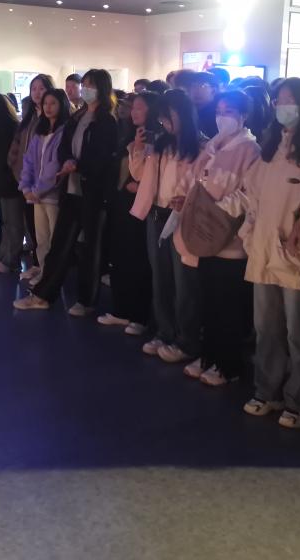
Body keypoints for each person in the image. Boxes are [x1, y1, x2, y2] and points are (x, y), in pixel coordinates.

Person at [240, 79, 300, 428]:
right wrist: (250, 230)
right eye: (279, 99)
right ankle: (267, 390)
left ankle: (299, 400)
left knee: (298, 332)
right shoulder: (273, 145)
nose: (283, 106)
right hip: (264, 248)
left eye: (290, 99)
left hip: (296, 252)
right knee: (266, 326)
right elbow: (252, 192)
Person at [14, 70, 119, 314]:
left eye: (90, 85)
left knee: (90, 248)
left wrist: (79, 165)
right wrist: (68, 161)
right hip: (71, 189)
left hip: (93, 192)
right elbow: (64, 147)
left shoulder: (106, 120)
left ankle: (86, 300)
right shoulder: (79, 116)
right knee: (59, 244)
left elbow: (103, 156)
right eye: (85, 84)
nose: (85, 89)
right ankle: (43, 294)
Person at [176, 90, 261, 385]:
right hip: (203, 236)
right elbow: (196, 180)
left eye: (229, 111)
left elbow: (248, 193)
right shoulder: (213, 144)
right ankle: (210, 355)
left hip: (228, 239)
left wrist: (218, 211)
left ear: (244, 116)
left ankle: (228, 365)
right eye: (219, 111)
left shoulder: (250, 150)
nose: (222, 117)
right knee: (209, 302)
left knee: (228, 306)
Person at [129, 90, 204, 363]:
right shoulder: (160, 144)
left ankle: (187, 339)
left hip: (183, 218)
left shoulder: (201, 146)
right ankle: (165, 331)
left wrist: (188, 200)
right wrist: (138, 149)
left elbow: (204, 183)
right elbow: (139, 174)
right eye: (162, 117)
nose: (165, 122)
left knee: (184, 281)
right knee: (160, 277)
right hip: (157, 214)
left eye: (169, 115)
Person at [99, 91, 157, 334]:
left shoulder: (156, 138)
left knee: (138, 260)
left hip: (141, 206)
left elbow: (148, 175)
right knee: (120, 257)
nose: (134, 112)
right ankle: (121, 309)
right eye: (133, 107)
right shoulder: (128, 134)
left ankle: (139, 315)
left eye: (140, 108)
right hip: (121, 203)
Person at [19, 89, 71, 284]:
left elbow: (54, 165)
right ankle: (43, 272)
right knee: (41, 239)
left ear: (61, 105)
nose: (48, 107)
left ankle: (52, 278)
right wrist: (26, 187)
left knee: (54, 239)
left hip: (53, 194)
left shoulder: (64, 131)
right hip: (36, 195)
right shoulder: (40, 133)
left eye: (53, 103)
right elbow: (28, 161)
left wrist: (37, 190)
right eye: (45, 103)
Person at [8, 75, 56, 272]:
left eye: (41, 88)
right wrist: (16, 169)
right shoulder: (29, 117)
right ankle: (38, 264)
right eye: (33, 88)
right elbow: (17, 146)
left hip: (45, 184)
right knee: (33, 227)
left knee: (47, 230)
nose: (37, 92)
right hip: (25, 181)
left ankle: (47, 269)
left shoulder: (51, 119)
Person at [0, 94, 23, 274]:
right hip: (4, 180)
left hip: (11, 181)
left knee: (13, 222)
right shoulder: (4, 129)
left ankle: (11, 260)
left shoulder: (11, 129)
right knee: (7, 222)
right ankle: (3, 257)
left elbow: (12, 158)